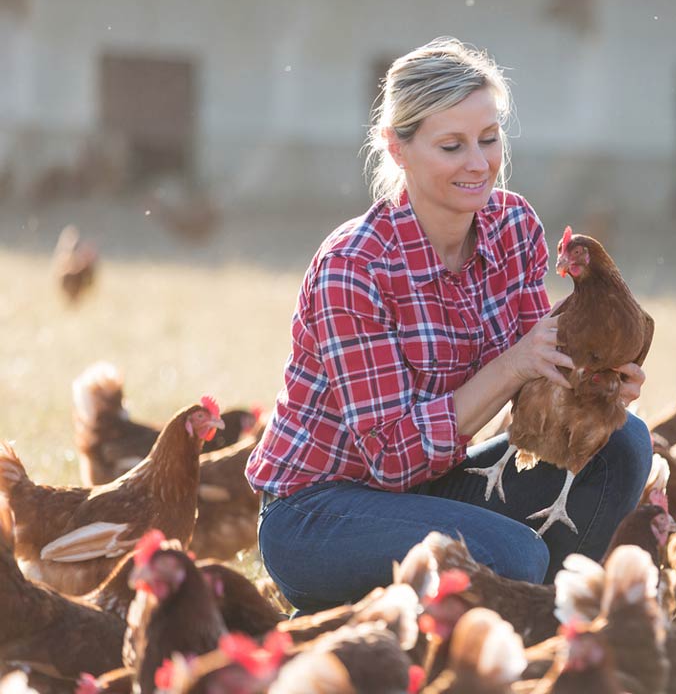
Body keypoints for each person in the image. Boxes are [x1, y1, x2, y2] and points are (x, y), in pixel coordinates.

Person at [245, 37, 653, 614]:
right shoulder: (353, 267)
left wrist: (596, 388)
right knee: (510, 557)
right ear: (398, 148)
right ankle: (506, 629)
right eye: (452, 145)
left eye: (489, 139)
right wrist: (513, 363)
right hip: (318, 510)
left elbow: (534, 399)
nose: (478, 162)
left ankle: (545, 640)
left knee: (623, 442)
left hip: (437, 482)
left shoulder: (512, 225)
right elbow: (392, 460)